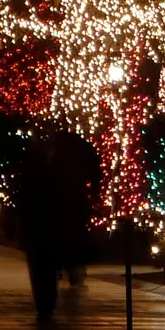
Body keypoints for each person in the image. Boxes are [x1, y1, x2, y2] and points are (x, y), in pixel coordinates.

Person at [14, 129, 101, 319]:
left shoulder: (52, 162)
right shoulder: (41, 162)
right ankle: (46, 301)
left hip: (52, 222)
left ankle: (46, 301)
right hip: (43, 221)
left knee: (44, 263)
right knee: (42, 264)